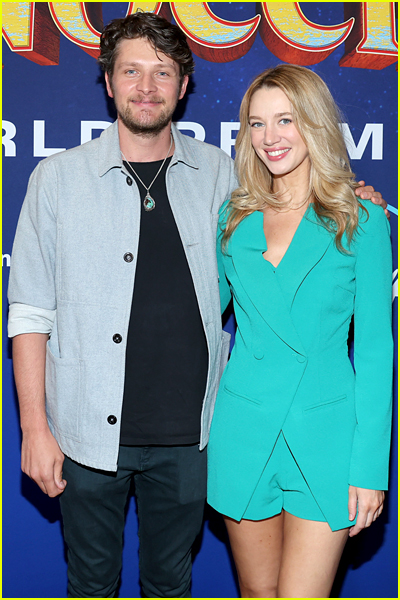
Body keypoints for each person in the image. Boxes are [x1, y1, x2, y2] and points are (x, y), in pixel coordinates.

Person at [7, 11, 387, 599]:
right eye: (131, 70)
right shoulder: (63, 180)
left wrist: (354, 197)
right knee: (91, 584)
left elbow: (366, 340)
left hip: (203, 436)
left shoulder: (219, 181)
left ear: (184, 85)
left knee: (172, 583)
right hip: (104, 433)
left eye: (162, 72)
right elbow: (30, 309)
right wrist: (34, 425)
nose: (146, 86)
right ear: (108, 81)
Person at [207, 64, 393, 598]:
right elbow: (199, 317)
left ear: (313, 122)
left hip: (327, 440)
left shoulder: (361, 218)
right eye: (258, 123)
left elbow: (378, 350)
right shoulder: (232, 219)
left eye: (285, 119)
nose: (270, 137)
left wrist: (370, 468)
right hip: (243, 433)